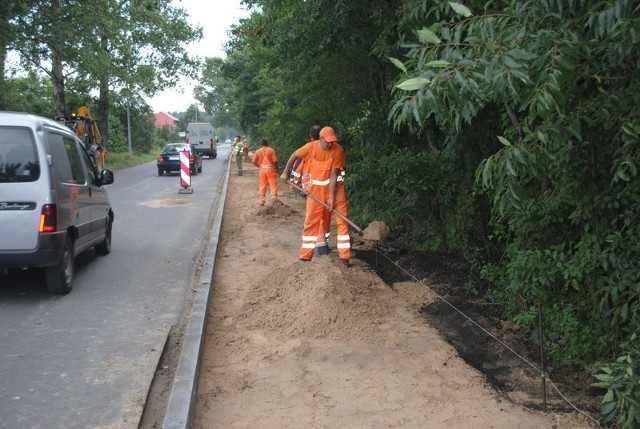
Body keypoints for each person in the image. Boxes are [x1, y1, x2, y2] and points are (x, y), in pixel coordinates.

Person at [280, 126, 350, 265]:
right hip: (315, 192)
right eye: (328, 141)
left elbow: (333, 175)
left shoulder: (338, 150)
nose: (331, 144)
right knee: (311, 223)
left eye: (332, 141)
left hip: (336, 191)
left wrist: (331, 198)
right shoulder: (310, 148)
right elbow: (294, 155)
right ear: (321, 138)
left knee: (342, 221)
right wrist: (285, 172)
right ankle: (305, 256)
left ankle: (345, 257)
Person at [252, 138, 279, 206]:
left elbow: (253, 161)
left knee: (262, 185)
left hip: (262, 170)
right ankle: (274, 199)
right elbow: (275, 161)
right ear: (267, 143)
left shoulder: (258, 151)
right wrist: (276, 167)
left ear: (261, 144)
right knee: (273, 184)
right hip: (270, 169)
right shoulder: (271, 150)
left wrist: (259, 166)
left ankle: (262, 201)